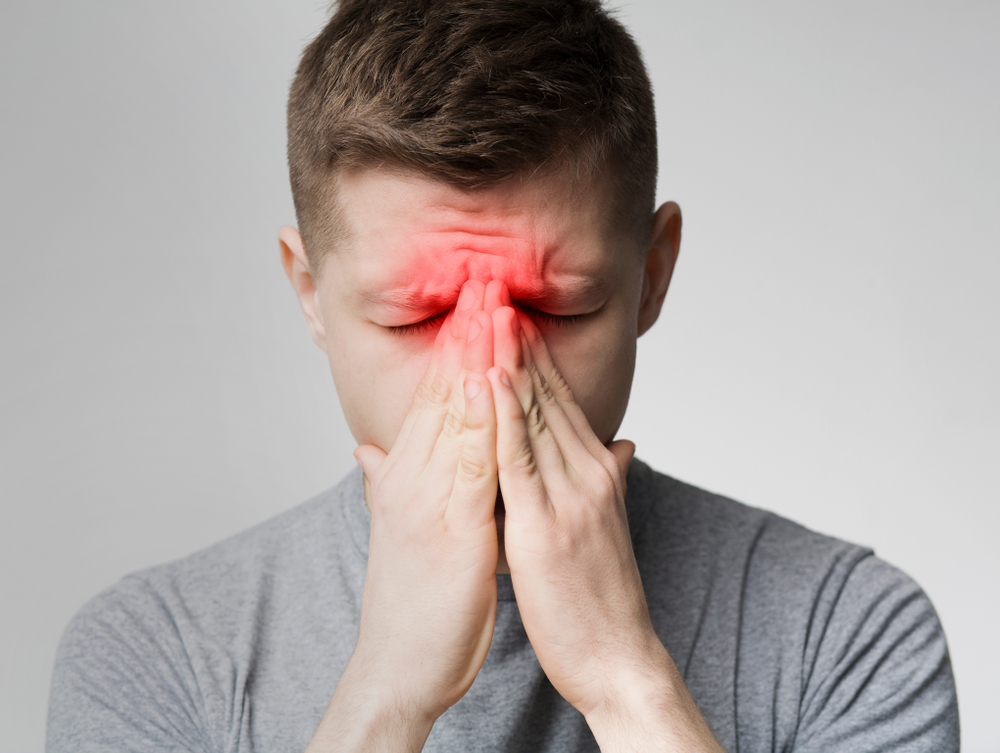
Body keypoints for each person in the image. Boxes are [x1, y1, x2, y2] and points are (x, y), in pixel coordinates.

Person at [46, 0, 959, 751]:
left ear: (652, 275)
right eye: (415, 315)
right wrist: (388, 691)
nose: (491, 372)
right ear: (310, 293)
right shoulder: (153, 653)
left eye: (558, 309)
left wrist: (624, 679)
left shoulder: (846, 630)